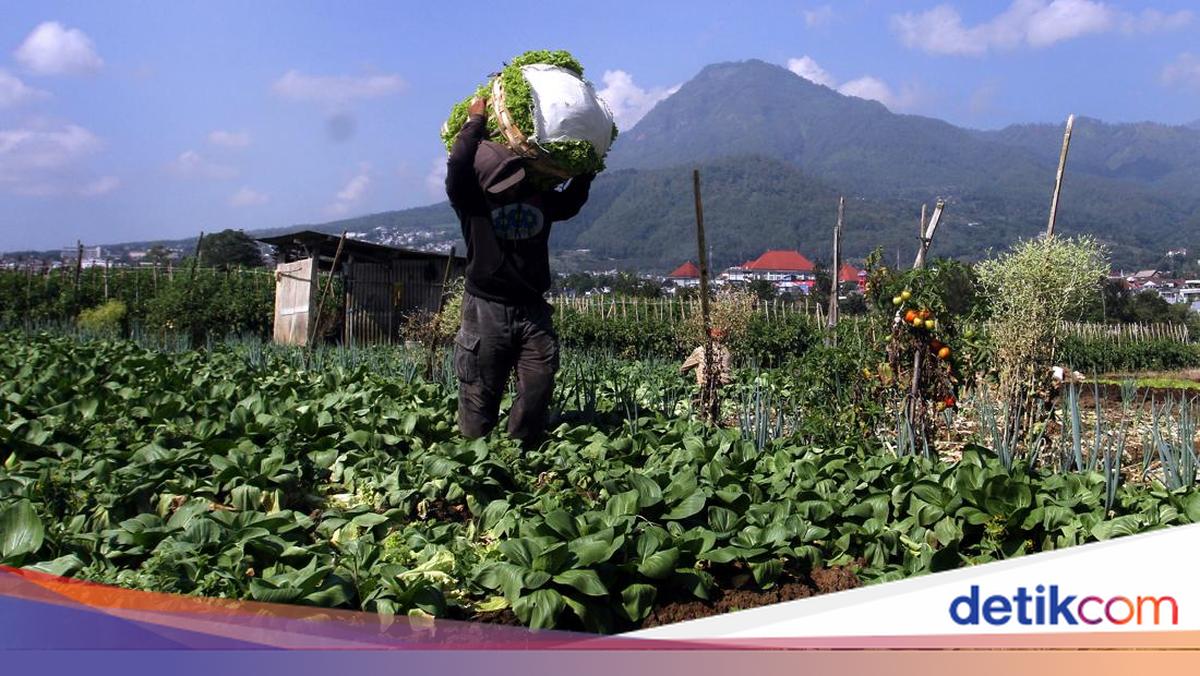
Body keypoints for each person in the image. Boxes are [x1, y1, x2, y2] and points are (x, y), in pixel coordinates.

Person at [445, 96, 595, 445]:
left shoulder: (535, 195)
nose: (509, 188)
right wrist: (474, 123)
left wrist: (587, 168)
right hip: (485, 308)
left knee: (539, 381)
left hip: (531, 308)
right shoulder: (471, 202)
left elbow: (570, 204)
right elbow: (457, 167)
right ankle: (474, 459)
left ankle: (521, 449)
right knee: (480, 392)